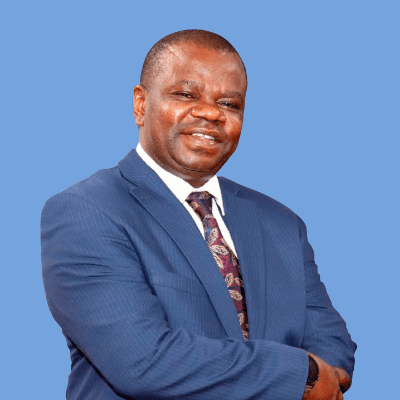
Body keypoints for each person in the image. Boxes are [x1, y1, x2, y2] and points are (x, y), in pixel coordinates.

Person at [41, 29, 356, 399]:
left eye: (229, 104)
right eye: (186, 95)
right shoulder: (86, 212)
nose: (210, 113)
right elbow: (144, 362)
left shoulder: (282, 223)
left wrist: (319, 375)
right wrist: (300, 375)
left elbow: (332, 345)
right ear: (141, 104)